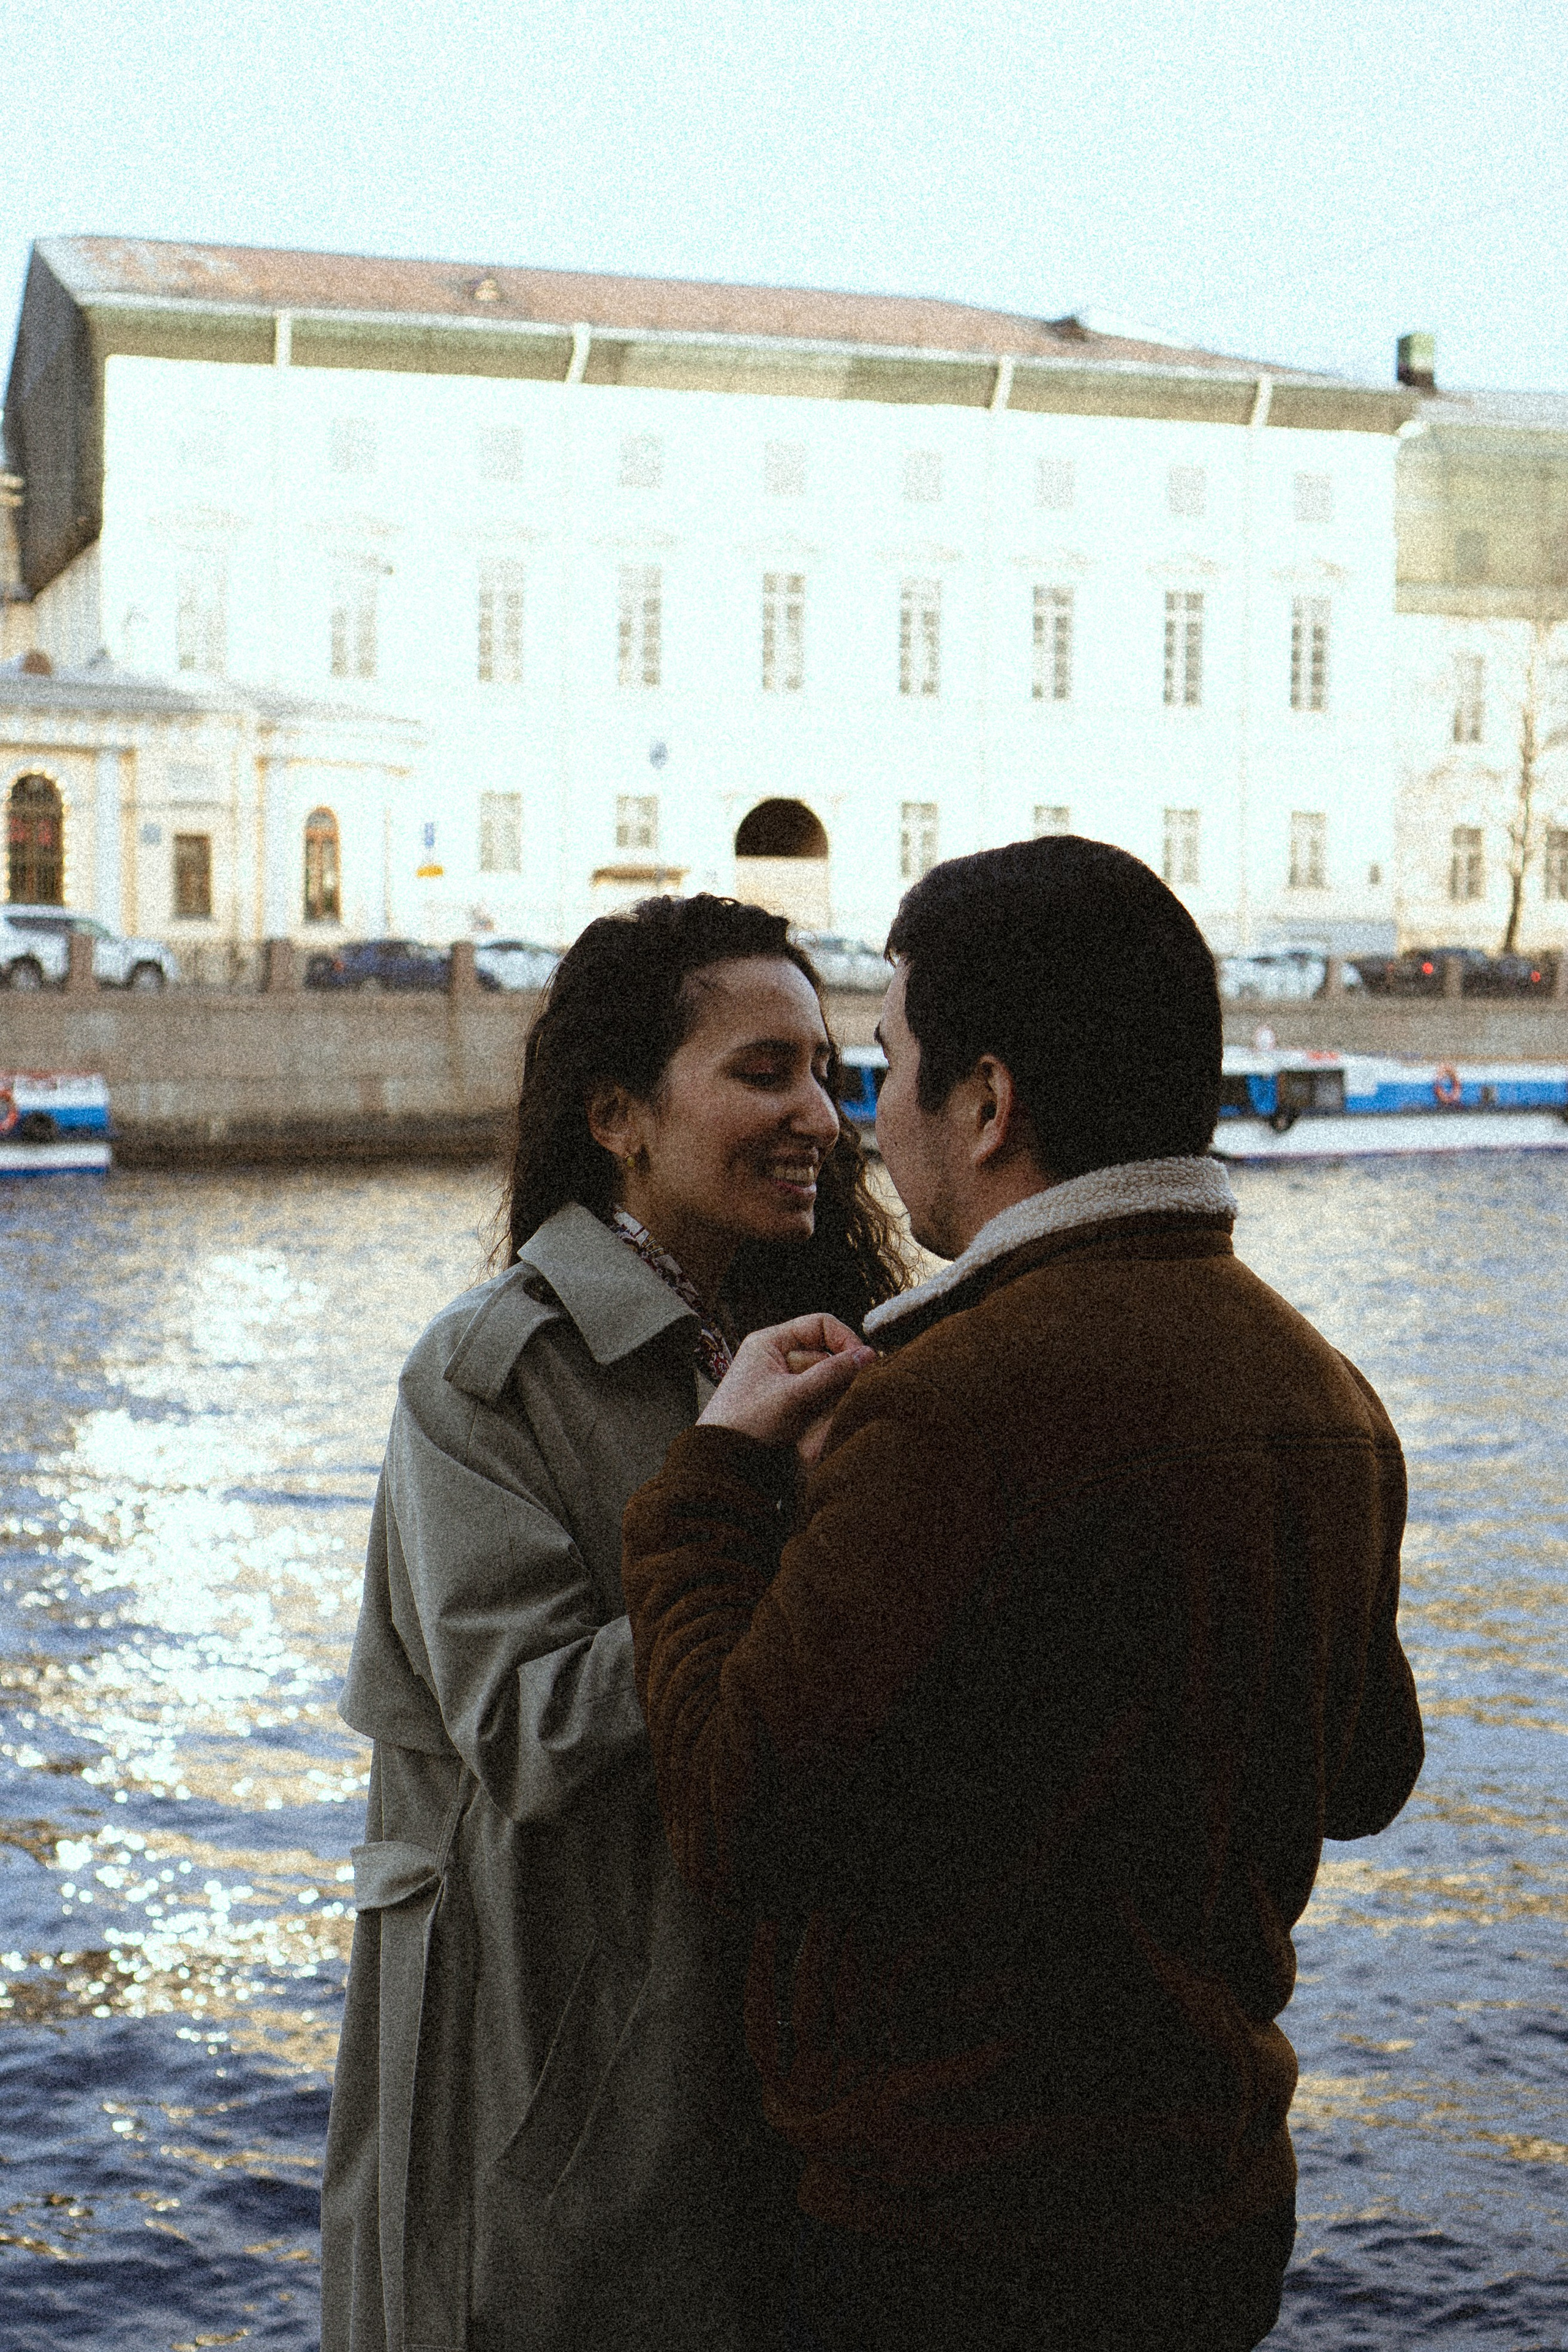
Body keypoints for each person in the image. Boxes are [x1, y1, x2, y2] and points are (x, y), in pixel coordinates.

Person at [622, 837, 1425, 2352]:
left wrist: (711, 1488)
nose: (866, 1119)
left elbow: (737, 1806)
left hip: (951, 2237)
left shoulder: (949, 1407)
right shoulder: (1323, 1390)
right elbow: (1366, 1776)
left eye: (887, 1064)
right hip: (1206, 2202)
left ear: (986, 1103)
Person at [320, 893, 907, 2352]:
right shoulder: (487, 1375)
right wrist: (766, 1525)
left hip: (747, 2067)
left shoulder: (813, 1340)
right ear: (618, 1118)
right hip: (552, 2090)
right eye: (762, 1072)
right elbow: (522, 1729)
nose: (820, 1118)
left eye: (827, 1073)